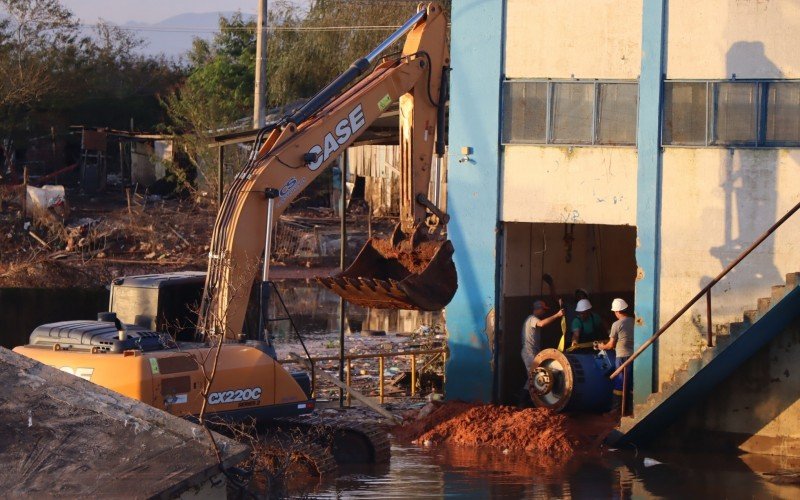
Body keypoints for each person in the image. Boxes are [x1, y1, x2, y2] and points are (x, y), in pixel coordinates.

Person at [598, 298, 634, 415]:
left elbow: (611, 345)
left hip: (622, 356)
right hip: (634, 356)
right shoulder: (633, 321)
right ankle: (630, 409)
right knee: (631, 383)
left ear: (617, 311)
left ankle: (615, 411)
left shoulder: (617, 324)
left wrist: (601, 346)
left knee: (619, 383)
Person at [521, 300, 565, 383]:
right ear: (538, 309)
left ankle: (525, 395)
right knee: (535, 379)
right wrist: (557, 315)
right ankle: (528, 395)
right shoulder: (532, 319)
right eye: (543, 310)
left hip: (531, 352)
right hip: (529, 353)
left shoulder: (531, 319)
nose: (544, 312)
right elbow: (541, 324)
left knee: (533, 379)